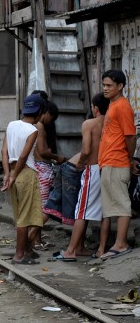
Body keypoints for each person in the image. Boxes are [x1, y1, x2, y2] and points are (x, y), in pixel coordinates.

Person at [50, 94, 109, 261]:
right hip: (108, 168)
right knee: (105, 213)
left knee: (81, 212)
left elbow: (86, 150)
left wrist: (79, 164)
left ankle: (70, 251)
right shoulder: (111, 122)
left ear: (95, 107)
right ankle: (98, 249)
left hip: (92, 168)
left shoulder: (90, 124)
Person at [1, 94, 45, 264]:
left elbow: (4, 151)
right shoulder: (33, 130)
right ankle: (19, 254)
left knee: (21, 214)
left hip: (12, 171)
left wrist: (7, 174)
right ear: (39, 111)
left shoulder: (11, 125)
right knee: (25, 217)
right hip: (25, 173)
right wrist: (13, 175)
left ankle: (26, 250)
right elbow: (24, 156)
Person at [97, 70, 135, 260]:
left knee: (121, 204)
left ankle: (121, 244)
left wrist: (128, 158)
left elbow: (130, 136)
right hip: (109, 162)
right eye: (104, 85)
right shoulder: (113, 104)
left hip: (117, 161)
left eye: (109, 85)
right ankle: (118, 243)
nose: (105, 88)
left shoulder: (122, 106)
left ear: (120, 86)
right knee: (113, 205)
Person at [32, 100, 66, 249]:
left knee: (37, 207)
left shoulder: (31, 125)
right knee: (44, 208)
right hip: (42, 169)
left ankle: (36, 241)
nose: (50, 122)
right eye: (51, 118)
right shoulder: (39, 126)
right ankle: (30, 238)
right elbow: (43, 151)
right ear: (47, 113)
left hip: (36, 167)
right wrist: (58, 158)